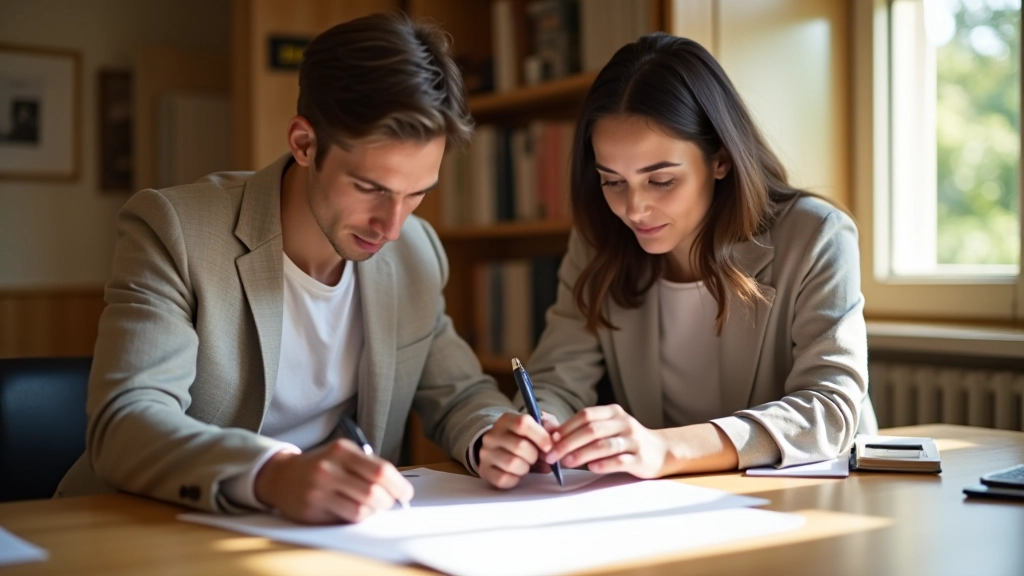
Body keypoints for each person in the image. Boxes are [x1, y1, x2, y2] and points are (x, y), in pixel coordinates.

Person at [56, 13, 520, 523]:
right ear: (303, 143)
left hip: (325, 538)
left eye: (417, 195)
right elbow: (125, 425)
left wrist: (492, 434)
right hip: (144, 528)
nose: (391, 227)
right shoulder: (176, 230)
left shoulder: (416, 251)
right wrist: (272, 474)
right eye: (371, 189)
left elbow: (458, 392)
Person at [477, 33, 877, 489]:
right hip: (670, 503)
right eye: (612, 181)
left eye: (661, 180)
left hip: (810, 497)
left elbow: (827, 407)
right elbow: (560, 378)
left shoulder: (817, 234)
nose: (634, 209)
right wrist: (537, 425)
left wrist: (665, 448)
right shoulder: (599, 242)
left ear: (720, 159)